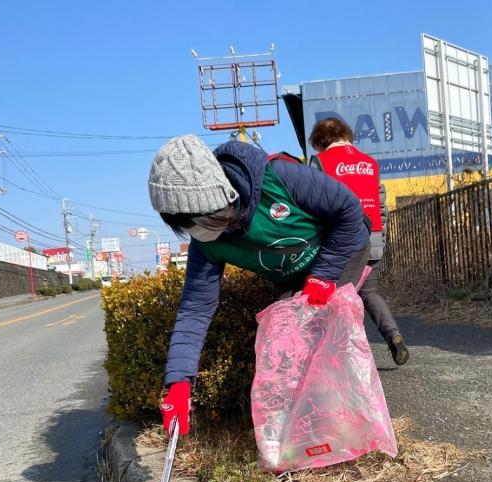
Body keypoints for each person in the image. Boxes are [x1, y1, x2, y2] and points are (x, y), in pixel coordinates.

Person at [148, 135, 371, 436]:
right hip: (298, 277)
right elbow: (195, 310)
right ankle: (311, 429)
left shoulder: (278, 178)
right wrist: (179, 383)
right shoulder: (206, 244)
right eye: (187, 226)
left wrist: (325, 274)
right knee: (287, 343)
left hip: (342, 253)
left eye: (203, 220)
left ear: (220, 197)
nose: (198, 231)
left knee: (324, 333)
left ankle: (352, 423)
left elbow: (348, 209)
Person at [308, 117, 410, 365]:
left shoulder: (319, 163)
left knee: (337, 298)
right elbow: (381, 205)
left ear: (320, 142)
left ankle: (347, 357)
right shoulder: (370, 164)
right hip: (372, 236)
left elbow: (311, 207)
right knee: (369, 292)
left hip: (339, 242)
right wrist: (380, 238)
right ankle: (393, 335)